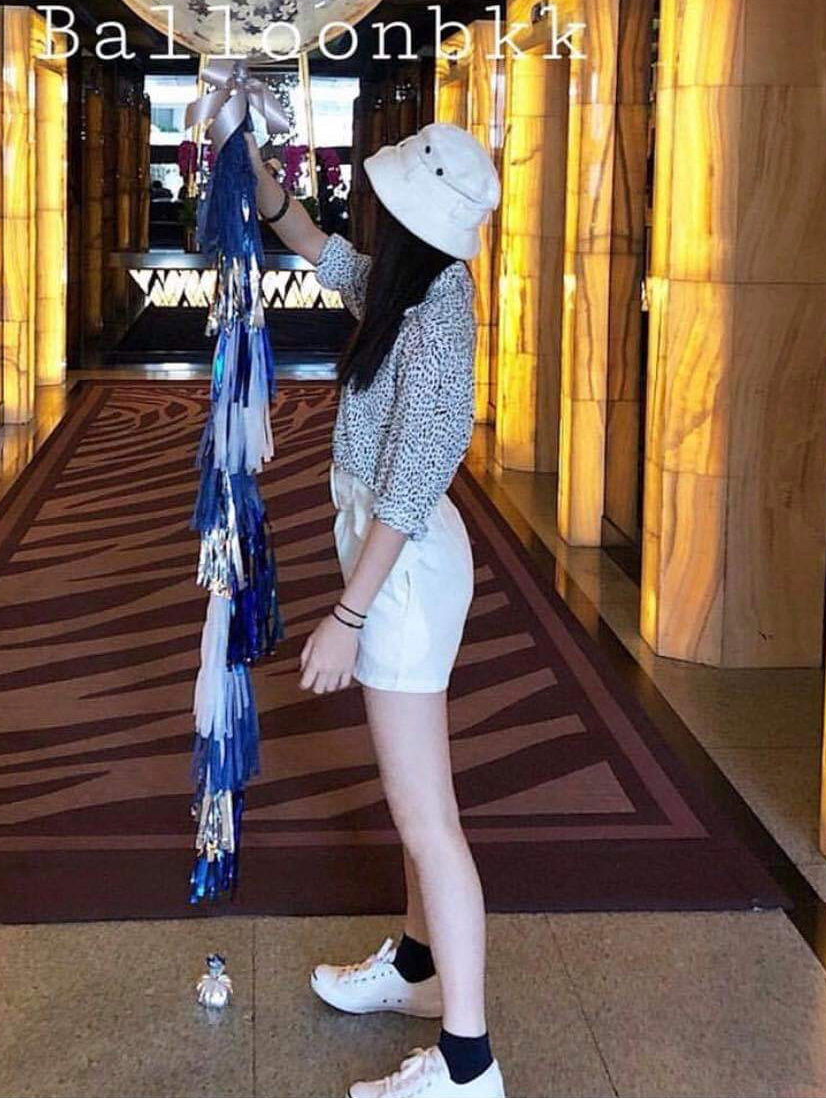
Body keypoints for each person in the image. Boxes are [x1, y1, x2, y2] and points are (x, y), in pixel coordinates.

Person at [247, 122, 505, 1098]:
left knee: (429, 818)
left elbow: (410, 484)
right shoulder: (410, 281)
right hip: (393, 560)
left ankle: (469, 1062)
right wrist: (256, 176)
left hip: (403, 572)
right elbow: (322, 250)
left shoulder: (438, 317)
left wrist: (348, 618)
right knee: (414, 805)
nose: (372, 209)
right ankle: (417, 967)